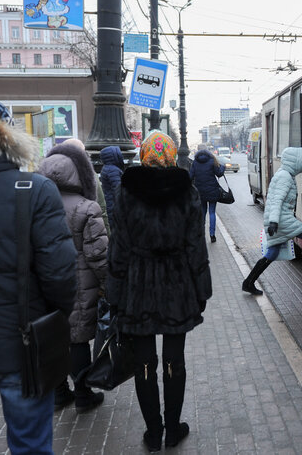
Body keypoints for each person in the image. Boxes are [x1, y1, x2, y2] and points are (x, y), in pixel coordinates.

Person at [107, 132, 211, 452]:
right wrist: (201, 290)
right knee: (173, 360)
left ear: (144, 154)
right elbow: (196, 246)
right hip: (176, 288)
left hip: (137, 289)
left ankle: (153, 433)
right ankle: (172, 428)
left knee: (144, 363)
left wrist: (114, 293)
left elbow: (118, 249)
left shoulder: (126, 193)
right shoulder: (187, 192)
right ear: (169, 156)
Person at [0, 101, 77, 453]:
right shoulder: (34, 191)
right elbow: (60, 277)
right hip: (22, 343)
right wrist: (56, 317)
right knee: (30, 445)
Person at [37, 140, 109, 413]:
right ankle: (83, 395)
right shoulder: (86, 207)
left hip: (46, 286)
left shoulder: (36, 205)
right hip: (79, 286)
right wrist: (107, 285)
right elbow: (98, 256)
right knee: (78, 340)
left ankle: (58, 393)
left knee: (55, 339)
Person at [242, 147, 302, 296]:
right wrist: (274, 222)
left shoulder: (284, 174)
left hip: (280, 219)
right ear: (295, 162)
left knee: (272, 253)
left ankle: (248, 282)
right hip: (282, 220)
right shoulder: (285, 177)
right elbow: (276, 201)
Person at [64, 138, 110, 235]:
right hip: (85, 231)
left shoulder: (50, 172)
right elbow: (101, 208)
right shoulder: (90, 175)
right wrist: (107, 235)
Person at [189, 146, 226, 243]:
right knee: (212, 212)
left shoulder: (195, 162)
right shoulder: (211, 161)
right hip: (212, 191)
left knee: (202, 213)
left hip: (200, 192)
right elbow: (219, 173)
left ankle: (201, 235)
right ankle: (212, 234)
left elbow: (190, 176)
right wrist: (223, 167)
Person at [99, 145, 125, 219]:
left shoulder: (106, 168)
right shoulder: (113, 170)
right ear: (114, 156)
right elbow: (118, 189)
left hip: (109, 202)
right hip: (114, 205)